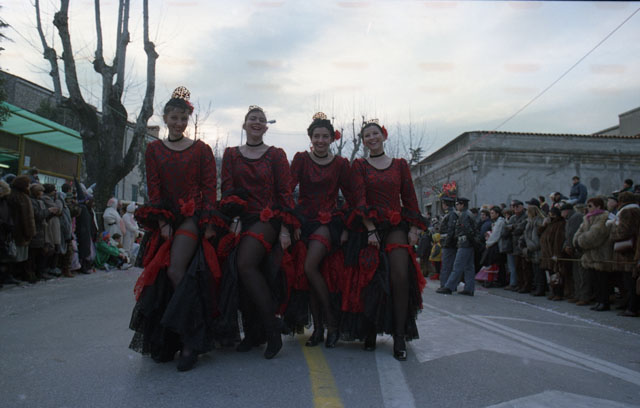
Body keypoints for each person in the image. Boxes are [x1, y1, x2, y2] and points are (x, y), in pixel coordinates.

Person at [129, 87, 225, 371]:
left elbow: (209, 189)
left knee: (174, 271)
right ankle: (172, 340)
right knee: (163, 279)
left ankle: (191, 341)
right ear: (166, 118)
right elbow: (154, 189)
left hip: (193, 217)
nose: (179, 123)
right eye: (174, 118)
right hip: (166, 218)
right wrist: (161, 222)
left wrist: (208, 223)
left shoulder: (201, 150)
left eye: (183, 118)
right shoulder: (154, 150)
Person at [220, 105, 297, 360]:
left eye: (261, 120)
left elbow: (285, 193)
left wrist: (285, 228)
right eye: (252, 118)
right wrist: (235, 218)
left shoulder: (276, 155)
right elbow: (228, 190)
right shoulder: (231, 154)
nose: (257, 122)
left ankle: (272, 328)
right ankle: (253, 333)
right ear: (244, 125)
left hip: (268, 218)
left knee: (245, 264)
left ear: (266, 127)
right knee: (237, 274)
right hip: (242, 218)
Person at [347, 118, 426, 361]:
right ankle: (370, 329)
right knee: (371, 279)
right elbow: (359, 200)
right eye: (367, 135)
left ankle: (399, 335)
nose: (372, 138)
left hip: (395, 224)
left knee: (400, 275)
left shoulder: (400, 165)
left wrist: (414, 228)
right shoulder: (359, 165)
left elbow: (410, 198)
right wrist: (370, 229)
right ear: (363, 141)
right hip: (368, 226)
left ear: (383, 135)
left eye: (375, 133)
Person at [288, 112, 352, 349]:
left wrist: (346, 226)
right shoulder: (301, 159)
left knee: (309, 267)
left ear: (332, 138)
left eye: (325, 136)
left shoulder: (340, 164)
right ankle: (318, 328)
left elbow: (352, 196)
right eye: (317, 136)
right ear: (310, 137)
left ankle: (332, 323)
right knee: (311, 276)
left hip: (328, 223)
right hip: (304, 222)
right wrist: (292, 222)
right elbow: (287, 190)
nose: (321, 140)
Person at [573, 197, 612, 311]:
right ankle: (598, 301)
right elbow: (579, 232)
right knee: (595, 280)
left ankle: (604, 302)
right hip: (590, 255)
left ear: (598, 206)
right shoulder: (587, 218)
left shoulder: (604, 217)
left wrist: (580, 241)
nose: (588, 208)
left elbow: (596, 234)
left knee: (603, 280)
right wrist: (576, 241)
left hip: (601, 254)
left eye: (590, 206)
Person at [437, 197, 478, 296]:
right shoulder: (469, 214)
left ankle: (449, 287)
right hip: (468, 243)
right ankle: (469, 288)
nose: (456, 206)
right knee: (469, 267)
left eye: (457, 204)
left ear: (462, 204)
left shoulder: (464, 215)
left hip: (464, 243)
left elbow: (466, 230)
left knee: (457, 266)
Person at [609, 192, 640, 316]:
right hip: (633, 250)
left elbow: (624, 231)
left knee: (629, 281)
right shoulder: (636, 210)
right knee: (630, 280)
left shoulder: (627, 211)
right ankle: (630, 305)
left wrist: (613, 230)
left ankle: (632, 308)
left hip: (627, 251)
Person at [6, 176, 35, 283]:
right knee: (16, 254)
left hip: (13, 229)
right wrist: (30, 232)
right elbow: (27, 218)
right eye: (28, 184)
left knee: (12, 254)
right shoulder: (22, 198)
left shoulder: (11, 195)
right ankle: (13, 275)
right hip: (20, 230)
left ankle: (12, 274)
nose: (29, 186)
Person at [538, 207, 565, 298]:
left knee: (556, 273)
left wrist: (557, 254)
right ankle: (553, 291)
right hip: (546, 253)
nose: (550, 216)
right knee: (550, 273)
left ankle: (558, 293)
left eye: (552, 214)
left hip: (553, 252)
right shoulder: (549, 224)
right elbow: (539, 233)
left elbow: (558, 240)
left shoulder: (560, 224)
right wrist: (544, 225)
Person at [438, 196, 458, 289]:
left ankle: (445, 285)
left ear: (446, 204)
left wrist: (447, 242)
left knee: (447, 265)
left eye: (443, 203)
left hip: (449, 243)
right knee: (447, 264)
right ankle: (447, 284)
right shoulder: (449, 214)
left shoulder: (452, 214)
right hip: (446, 242)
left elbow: (451, 229)